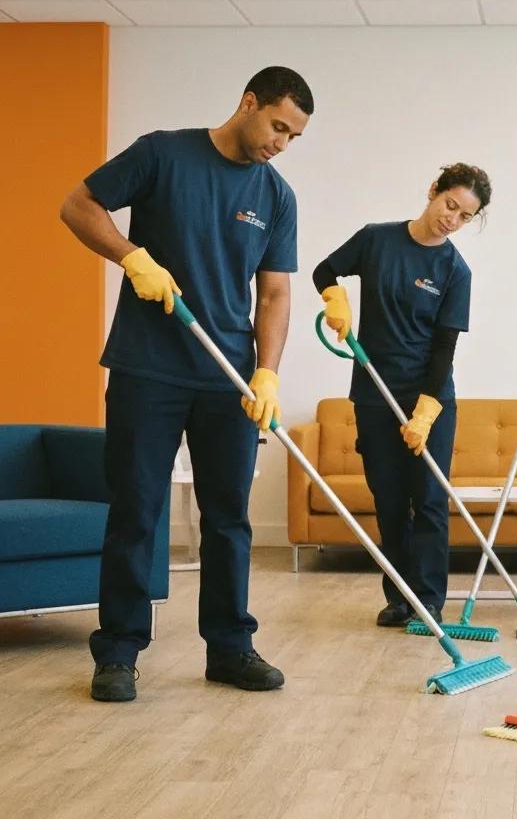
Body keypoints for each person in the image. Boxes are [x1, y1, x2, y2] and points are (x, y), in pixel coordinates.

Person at [60, 66, 313, 702]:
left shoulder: (277, 195)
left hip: (228, 378)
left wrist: (267, 372)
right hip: (148, 367)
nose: (280, 142)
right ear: (248, 102)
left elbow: (276, 289)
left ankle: (230, 648)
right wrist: (131, 256)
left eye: (294, 136)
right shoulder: (163, 153)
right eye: (277, 125)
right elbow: (77, 204)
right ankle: (118, 652)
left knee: (228, 518)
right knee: (136, 511)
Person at [312, 164, 491, 627]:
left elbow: (444, 347)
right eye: (450, 205)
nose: (452, 219)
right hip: (373, 393)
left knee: (428, 499)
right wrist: (337, 299)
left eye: (465, 216)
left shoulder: (455, 270)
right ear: (433, 191)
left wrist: (428, 409)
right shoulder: (376, 240)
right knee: (389, 501)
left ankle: (429, 599)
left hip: (429, 398)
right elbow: (324, 270)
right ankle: (399, 595)